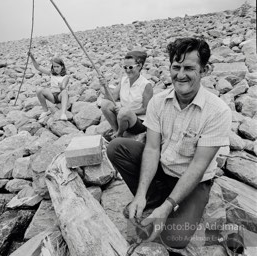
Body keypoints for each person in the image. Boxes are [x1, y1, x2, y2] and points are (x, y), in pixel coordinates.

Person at [107, 38, 232, 249]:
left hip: (194, 180)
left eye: (189, 68)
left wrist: (167, 208)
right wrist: (139, 194)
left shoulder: (218, 111)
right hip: (164, 169)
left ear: (205, 69)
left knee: (176, 239)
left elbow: (198, 167)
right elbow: (152, 148)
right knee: (116, 147)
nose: (180, 75)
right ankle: (150, 198)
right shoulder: (158, 102)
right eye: (176, 67)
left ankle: (166, 204)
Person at [99, 51, 153, 139]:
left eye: (131, 67)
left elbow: (146, 110)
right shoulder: (124, 80)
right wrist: (105, 86)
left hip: (138, 122)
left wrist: (127, 111)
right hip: (122, 116)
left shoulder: (146, 85)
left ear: (139, 66)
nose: (128, 70)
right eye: (125, 67)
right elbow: (112, 98)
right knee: (105, 103)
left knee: (124, 112)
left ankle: (120, 134)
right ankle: (116, 130)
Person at [28, 52, 69, 121]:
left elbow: (63, 87)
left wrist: (61, 86)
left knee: (65, 92)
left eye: (58, 66)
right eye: (54, 66)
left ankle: (63, 114)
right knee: (39, 89)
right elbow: (38, 67)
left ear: (62, 67)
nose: (56, 69)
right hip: (52, 96)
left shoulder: (66, 76)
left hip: (60, 96)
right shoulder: (51, 74)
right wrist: (32, 57)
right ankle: (45, 111)